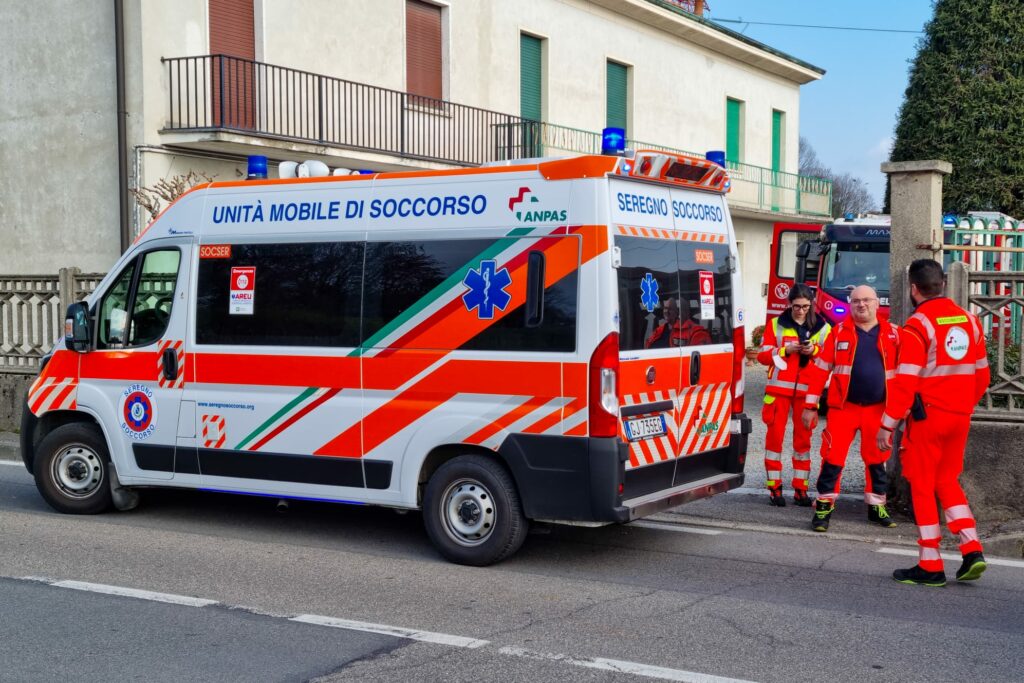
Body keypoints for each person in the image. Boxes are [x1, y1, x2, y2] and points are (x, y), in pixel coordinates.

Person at [878, 260, 990, 586]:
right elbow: (983, 375)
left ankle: (930, 563)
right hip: (960, 417)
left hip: (928, 418)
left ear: (913, 289)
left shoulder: (918, 326)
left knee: (922, 485)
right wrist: (962, 405)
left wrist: (887, 425)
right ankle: (972, 549)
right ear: (942, 283)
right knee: (947, 480)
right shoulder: (970, 320)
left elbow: (905, 383)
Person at [801, 285, 900, 532]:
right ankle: (823, 507)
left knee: (877, 459)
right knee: (832, 458)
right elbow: (819, 371)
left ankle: (876, 506)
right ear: (850, 304)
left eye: (867, 300)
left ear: (877, 303)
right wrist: (810, 405)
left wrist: (901, 410)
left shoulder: (894, 334)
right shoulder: (838, 333)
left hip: (878, 410)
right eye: (856, 301)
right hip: (843, 409)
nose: (861, 305)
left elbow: (905, 376)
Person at [757, 284, 830, 506]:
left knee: (803, 443)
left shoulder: (822, 327)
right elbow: (761, 355)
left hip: (807, 393)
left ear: (811, 305)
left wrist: (814, 350)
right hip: (779, 390)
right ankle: (775, 489)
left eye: (805, 307)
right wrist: (783, 351)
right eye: (797, 306)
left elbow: (829, 357)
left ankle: (801, 490)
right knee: (774, 441)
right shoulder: (775, 325)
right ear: (789, 304)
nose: (800, 311)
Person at [645, 297, 711, 348]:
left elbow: (699, 355)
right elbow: (647, 345)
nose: (666, 311)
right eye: (665, 308)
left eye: (670, 309)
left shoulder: (696, 332)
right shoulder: (660, 330)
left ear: (678, 312)